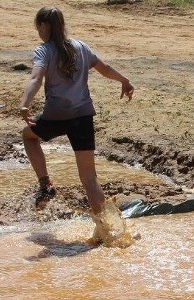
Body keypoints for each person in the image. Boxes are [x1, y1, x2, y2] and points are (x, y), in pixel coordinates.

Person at [19, 6, 134, 215]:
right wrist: (124, 80)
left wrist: (25, 104)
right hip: (83, 117)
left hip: (55, 117)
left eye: (38, 27)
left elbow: (35, 78)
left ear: (44, 26)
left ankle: (45, 185)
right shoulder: (80, 46)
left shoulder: (44, 51)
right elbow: (105, 67)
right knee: (89, 178)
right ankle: (107, 229)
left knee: (28, 136)